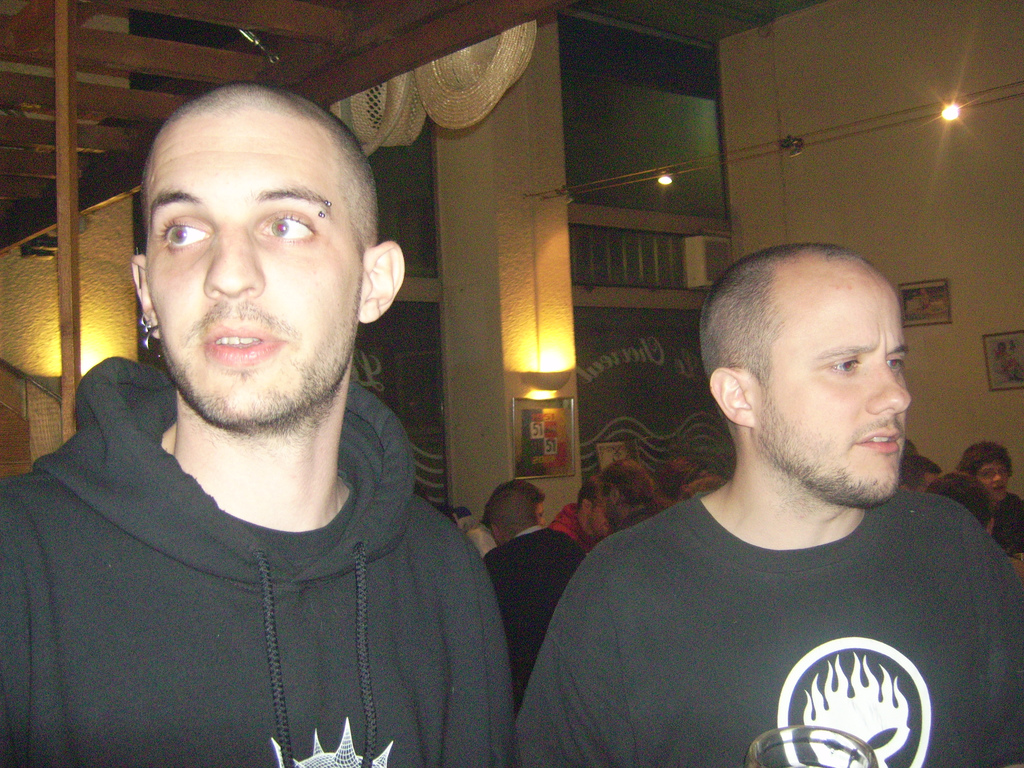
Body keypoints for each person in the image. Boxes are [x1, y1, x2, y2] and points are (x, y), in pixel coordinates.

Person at [0, 84, 513, 768]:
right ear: (146, 289)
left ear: (374, 282)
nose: (229, 274)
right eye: (184, 231)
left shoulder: (442, 573)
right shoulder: (19, 564)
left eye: (287, 223)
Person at [517, 243, 1024, 767]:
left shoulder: (951, 543)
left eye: (893, 361)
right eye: (847, 364)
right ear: (740, 396)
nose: (897, 395)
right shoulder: (623, 589)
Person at [481, 480, 584, 712]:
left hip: (526, 688)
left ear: (496, 530)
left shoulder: (496, 564)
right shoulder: (569, 547)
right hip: (576, 674)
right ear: (535, 516)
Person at [958, 441, 1024, 555]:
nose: (998, 478)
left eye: (1002, 471)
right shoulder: (965, 511)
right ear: (972, 479)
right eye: (987, 473)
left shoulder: (1016, 506)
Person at [548, 475, 610, 553]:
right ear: (587, 506)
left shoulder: (606, 532)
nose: (611, 517)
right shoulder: (559, 538)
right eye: (606, 510)